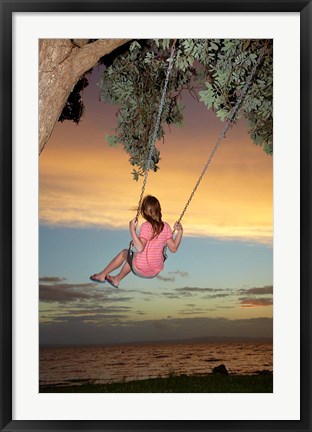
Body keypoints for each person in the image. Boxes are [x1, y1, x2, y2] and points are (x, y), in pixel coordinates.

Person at [90, 195, 183, 288]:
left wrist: (132, 230)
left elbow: (140, 248)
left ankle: (102, 275)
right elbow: (174, 248)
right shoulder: (166, 227)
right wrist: (180, 231)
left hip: (141, 268)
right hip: (154, 271)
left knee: (124, 254)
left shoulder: (146, 226)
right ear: (159, 210)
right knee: (132, 257)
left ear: (145, 212)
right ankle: (116, 280)